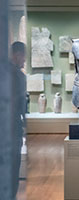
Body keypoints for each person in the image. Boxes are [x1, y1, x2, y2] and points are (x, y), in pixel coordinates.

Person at [10, 41, 27, 199]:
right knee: (12, 171)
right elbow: (21, 105)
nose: (24, 60)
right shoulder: (18, 76)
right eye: (23, 57)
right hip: (11, 129)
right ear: (17, 55)